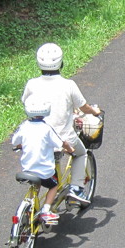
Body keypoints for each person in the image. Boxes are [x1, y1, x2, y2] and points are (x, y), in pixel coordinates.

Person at [21, 42, 102, 205]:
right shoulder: (68, 85)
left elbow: (26, 102)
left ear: (39, 63)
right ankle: (76, 188)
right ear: (61, 63)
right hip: (64, 138)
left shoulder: (32, 84)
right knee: (81, 153)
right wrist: (95, 112)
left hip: (38, 137)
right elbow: (83, 107)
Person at [12, 95, 74, 224]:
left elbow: (15, 141)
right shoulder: (46, 128)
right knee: (54, 185)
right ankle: (46, 211)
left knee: (36, 183)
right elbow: (60, 143)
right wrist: (69, 149)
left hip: (27, 170)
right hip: (44, 171)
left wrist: (21, 145)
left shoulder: (24, 126)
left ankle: (31, 207)